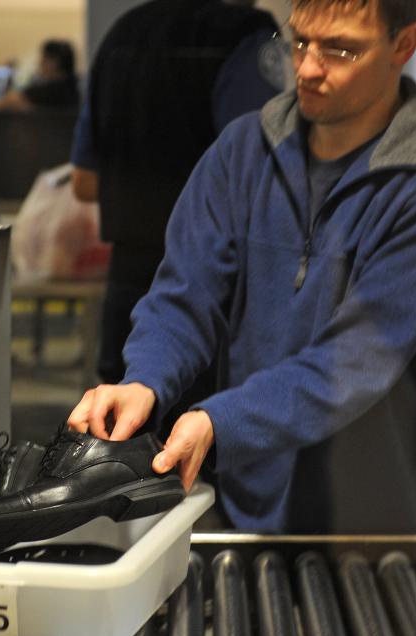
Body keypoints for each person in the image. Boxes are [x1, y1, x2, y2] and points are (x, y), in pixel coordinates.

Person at [67, 0, 416, 534]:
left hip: (371, 516)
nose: (309, 68)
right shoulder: (242, 151)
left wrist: (220, 421)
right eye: (299, 42)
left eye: (341, 49)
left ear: (404, 44)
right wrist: (145, 381)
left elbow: (355, 359)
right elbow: (185, 295)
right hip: (239, 502)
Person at [71, 0, 282, 387]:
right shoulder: (245, 36)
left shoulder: (122, 35)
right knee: (208, 436)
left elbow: (84, 181)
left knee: (124, 436)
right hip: (216, 285)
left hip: (128, 282)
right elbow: (262, 173)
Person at [0, 40, 80, 111]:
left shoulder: (47, 92)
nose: (40, 62)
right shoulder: (74, 91)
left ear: (54, 62)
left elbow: (10, 99)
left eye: (44, 58)